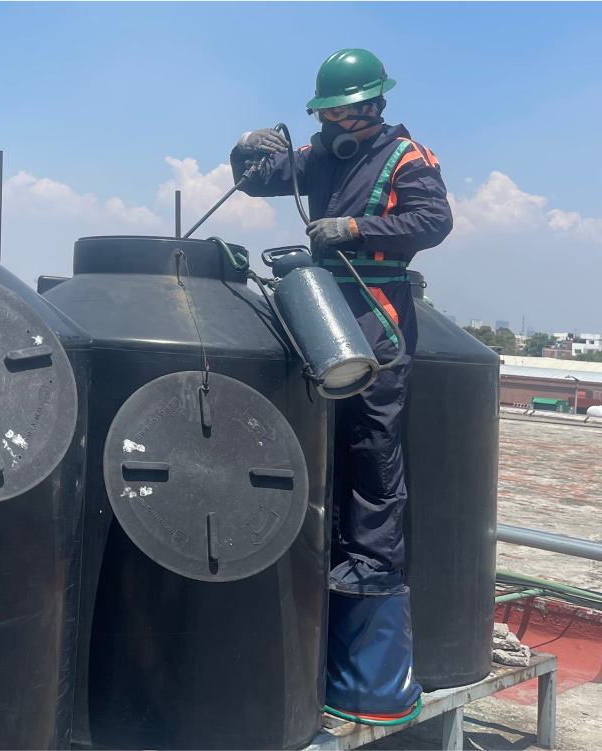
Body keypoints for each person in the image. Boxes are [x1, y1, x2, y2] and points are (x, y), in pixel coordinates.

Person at [229, 48, 452, 722]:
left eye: (341, 112)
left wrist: (355, 227)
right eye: (323, 115)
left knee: (370, 456)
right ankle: (312, 571)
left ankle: (368, 598)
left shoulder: (405, 159)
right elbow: (261, 180)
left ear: (372, 106)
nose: (332, 124)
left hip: (376, 313)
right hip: (325, 311)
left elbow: (431, 222)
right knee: (316, 447)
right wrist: (245, 150)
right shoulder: (323, 153)